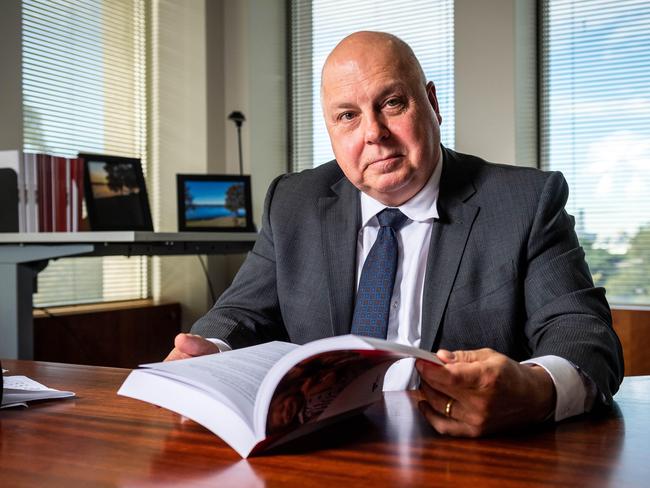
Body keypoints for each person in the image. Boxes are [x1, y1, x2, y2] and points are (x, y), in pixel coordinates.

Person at [166, 31, 624, 437]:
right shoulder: (294, 202)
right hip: (325, 453)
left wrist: (537, 391)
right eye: (347, 116)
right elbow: (241, 313)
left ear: (432, 103)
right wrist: (209, 350)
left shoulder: (525, 201)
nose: (374, 133)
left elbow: (582, 334)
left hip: (462, 455)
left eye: (391, 103)